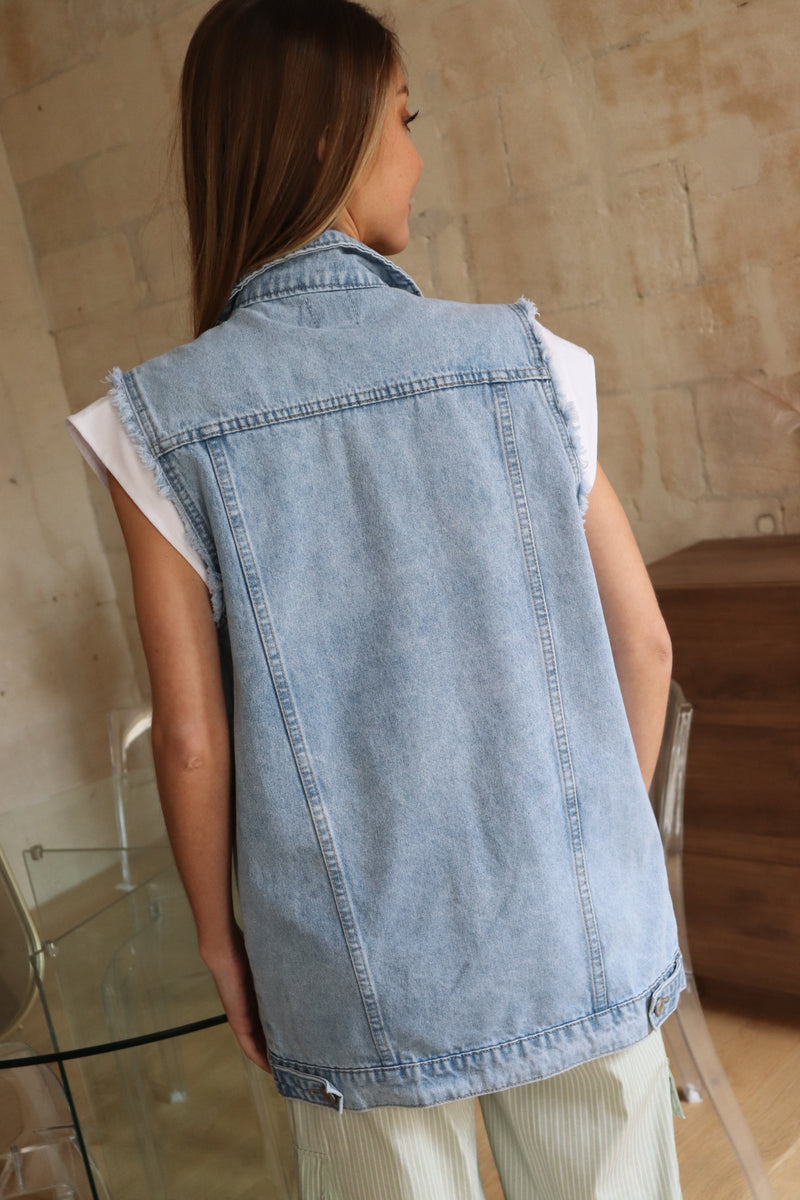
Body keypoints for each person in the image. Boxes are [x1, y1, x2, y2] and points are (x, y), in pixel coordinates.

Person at [68, 0, 686, 1195]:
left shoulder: (157, 422)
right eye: (402, 120)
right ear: (326, 141)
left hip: (350, 977)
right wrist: (593, 862)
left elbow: (191, 740)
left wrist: (220, 943)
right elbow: (644, 644)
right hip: (578, 932)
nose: (414, 153)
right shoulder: (526, 360)